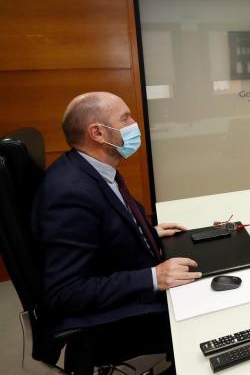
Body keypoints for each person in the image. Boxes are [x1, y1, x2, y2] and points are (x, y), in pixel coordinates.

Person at [32, 92, 202, 373]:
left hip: (121, 270)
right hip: (115, 316)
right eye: (125, 118)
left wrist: (144, 232)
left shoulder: (92, 166)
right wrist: (154, 277)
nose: (134, 124)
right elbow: (64, 292)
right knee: (210, 306)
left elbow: (102, 225)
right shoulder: (70, 192)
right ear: (97, 133)